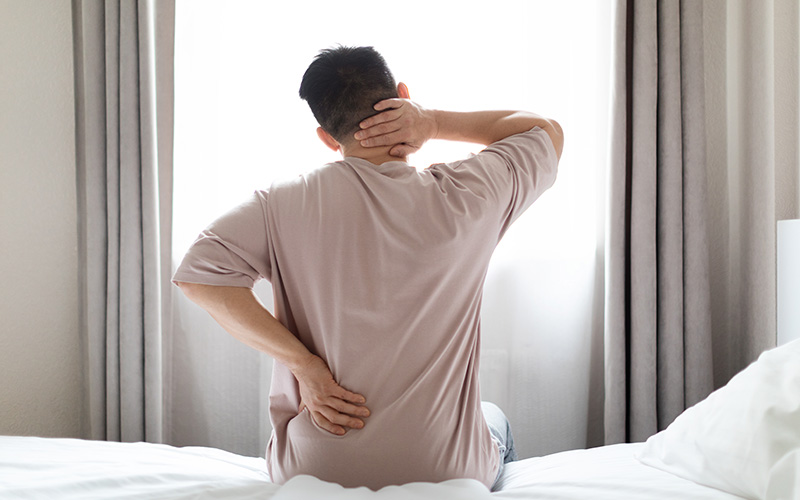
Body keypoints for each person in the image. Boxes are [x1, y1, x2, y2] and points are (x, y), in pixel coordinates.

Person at [173, 45, 563, 491]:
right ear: (403, 96)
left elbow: (198, 278)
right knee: (493, 417)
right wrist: (432, 121)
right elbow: (545, 132)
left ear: (326, 136)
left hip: (313, 466)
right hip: (447, 466)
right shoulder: (470, 192)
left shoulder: (279, 203)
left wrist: (303, 364)